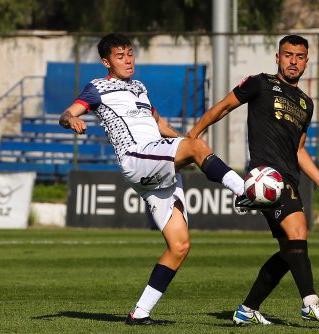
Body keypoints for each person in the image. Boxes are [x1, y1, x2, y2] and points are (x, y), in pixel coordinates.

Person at [59, 33, 245, 326]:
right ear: (107, 62)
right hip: (136, 157)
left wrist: (185, 139)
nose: (128, 59)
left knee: (180, 245)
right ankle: (245, 191)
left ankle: (140, 313)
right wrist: (72, 120)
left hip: (155, 161)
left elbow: (158, 123)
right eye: (120, 56)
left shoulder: (139, 87)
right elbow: (68, 112)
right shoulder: (97, 88)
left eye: (130, 53)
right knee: (197, 149)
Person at [187, 34, 319, 325]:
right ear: (277, 57)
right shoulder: (260, 83)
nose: (293, 61)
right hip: (267, 177)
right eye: (287, 54)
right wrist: (193, 136)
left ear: (306, 61)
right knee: (298, 231)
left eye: (299, 56)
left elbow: (298, 149)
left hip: (290, 177)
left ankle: (247, 310)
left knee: (289, 251)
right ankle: (310, 301)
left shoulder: (305, 103)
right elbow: (222, 107)